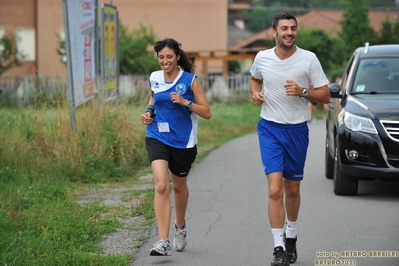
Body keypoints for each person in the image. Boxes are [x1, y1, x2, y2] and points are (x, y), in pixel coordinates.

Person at [249, 11, 330, 266]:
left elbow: (326, 95)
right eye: (284, 28)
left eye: (293, 28)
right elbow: (254, 79)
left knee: (292, 189)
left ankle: (291, 236)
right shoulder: (262, 57)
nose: (289, 33)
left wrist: (303, 91)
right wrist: (256, 94)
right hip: (269, 128)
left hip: (296, 130)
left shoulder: (309, 59)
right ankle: (278, 248)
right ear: (274, 32)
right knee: (274, 191)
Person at [141, 38, 211, 256]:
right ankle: (163, 241)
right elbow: (153, 99)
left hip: (183, 141)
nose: (165, 61)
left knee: (179, 187)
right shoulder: (154, 77)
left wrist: (185, 102)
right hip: (157, 136)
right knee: (161, 185)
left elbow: (207, 112)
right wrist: (148, 112)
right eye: (161, 57)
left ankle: (180, 227)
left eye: (169, 57)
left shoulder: (190, 81)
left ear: (178, 56)